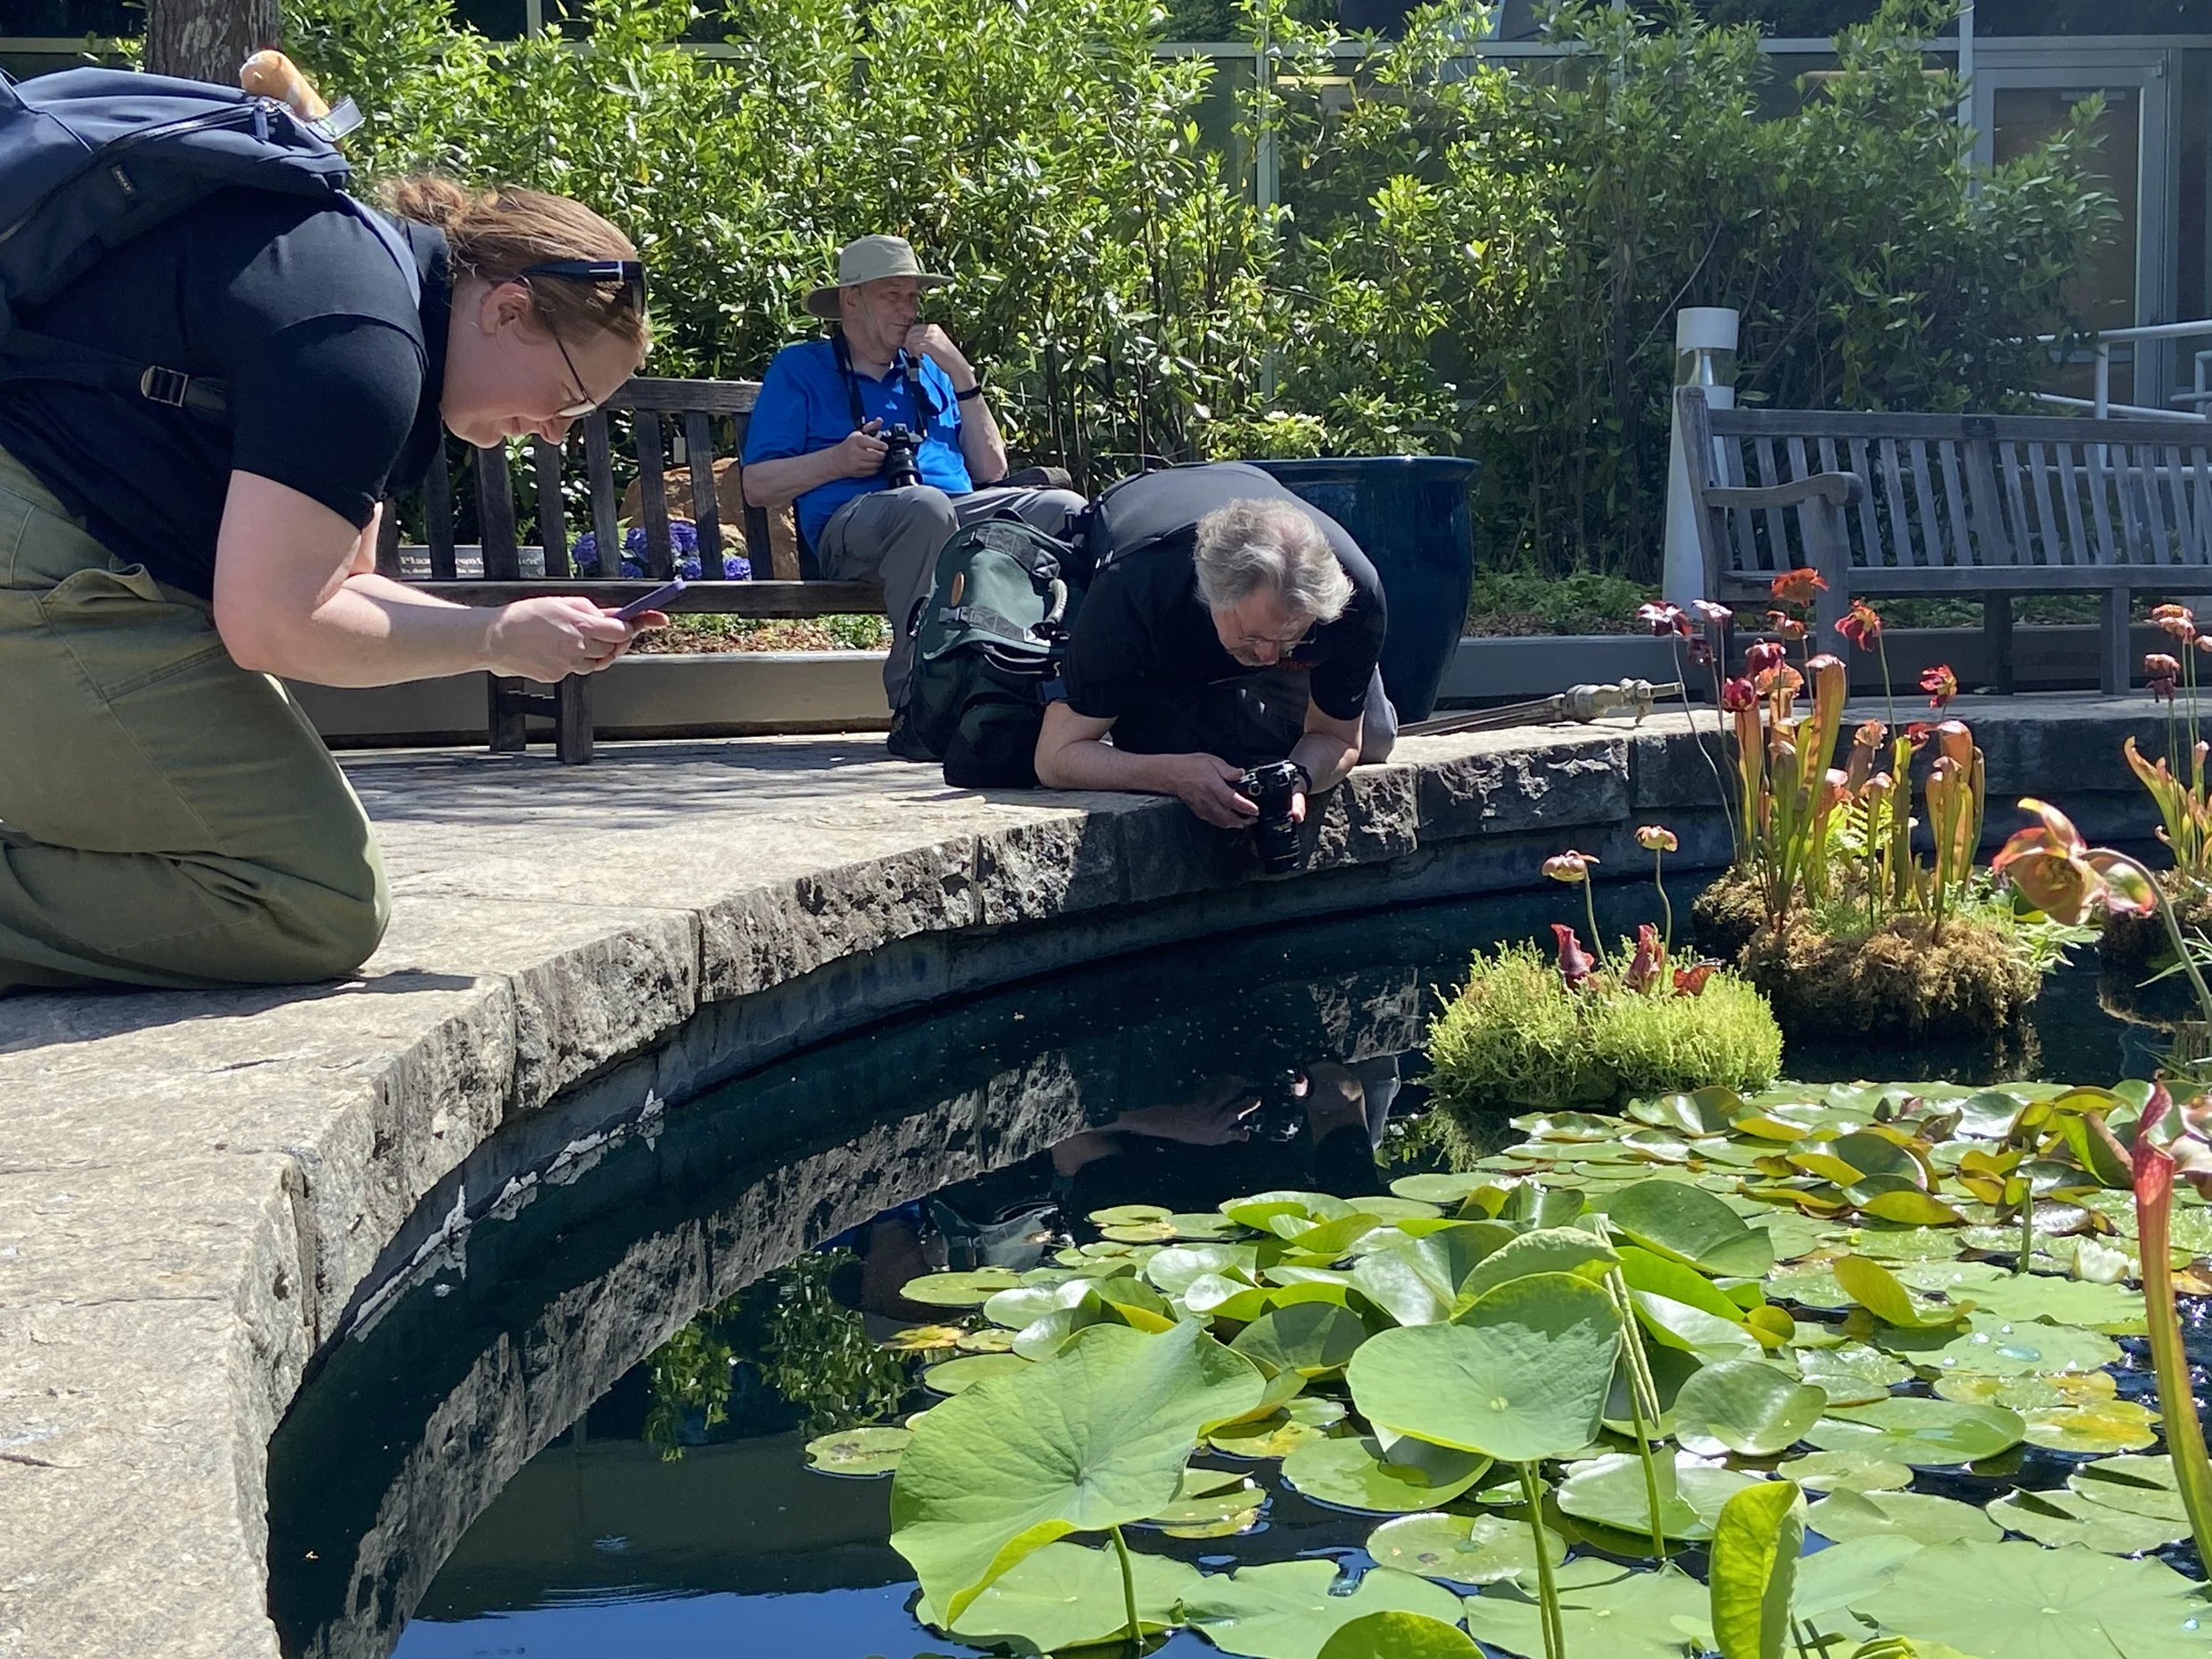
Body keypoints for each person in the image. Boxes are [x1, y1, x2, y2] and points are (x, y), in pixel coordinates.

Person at [0, 177, 656, 995]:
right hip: (36, 552)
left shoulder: (373, 290)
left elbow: (343, 587)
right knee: (311, 898)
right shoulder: (361, 347)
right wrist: (492, 639)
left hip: (68, 549)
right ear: (508, 309)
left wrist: (509, 630)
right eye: (571, 398)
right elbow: (274, 626)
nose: (556, 432)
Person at [739, 235, 1085, 748]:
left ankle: (1057, 691)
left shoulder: (931, 372)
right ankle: (919, 706)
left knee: (1064, 509)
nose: (909, 309)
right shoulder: (801, 368)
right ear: (851, 300)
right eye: (892, 296)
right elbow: (756, 485)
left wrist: (962, 374)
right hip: (854, 530)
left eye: (914, 297)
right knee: (925, 507)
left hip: (952, 515)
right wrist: (838, 460)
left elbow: (991, 468)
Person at [1033, 462, 1397, 830]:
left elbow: (1338, 737)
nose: (1269, 656)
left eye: (1292, 636)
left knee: (1375, 739)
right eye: (1253, 635)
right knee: (1162, 744)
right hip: (1149, 547)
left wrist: (1298, 777)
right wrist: (1170, 774)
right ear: (1211, 595)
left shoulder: (1356, 596)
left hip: (1244, 482)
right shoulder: (1135, 588)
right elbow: (1055, 758)